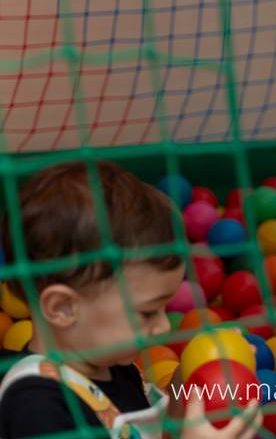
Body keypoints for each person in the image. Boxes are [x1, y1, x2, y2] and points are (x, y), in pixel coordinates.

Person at [0, 161, 261, 439]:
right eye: (148, 312)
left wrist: (190, 379)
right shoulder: (37, 405)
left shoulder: (113, 364)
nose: (164, 327)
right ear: (62, 307)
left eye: (164, 308)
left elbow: (160, 432)